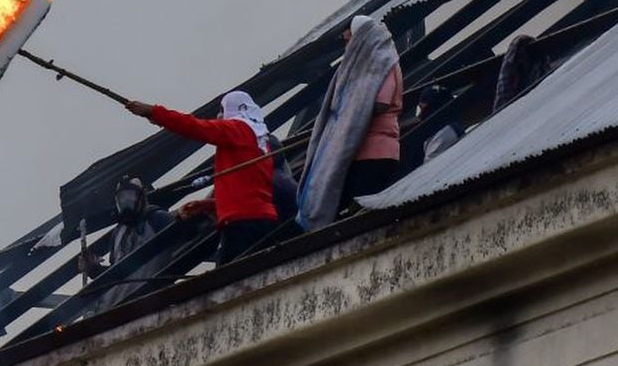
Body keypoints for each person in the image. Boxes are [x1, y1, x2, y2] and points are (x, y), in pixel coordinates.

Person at [126, 91, 277, 265]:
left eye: (222, 110)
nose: (219, 116)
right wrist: (209, 205)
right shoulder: (258, 141)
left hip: (241, 222)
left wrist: (153, 112)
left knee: (231, 280)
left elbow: (195, 127)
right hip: (259, 218)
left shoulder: (238, 129)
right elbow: (246, 192)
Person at [297, 16, 402, 231]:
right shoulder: (361, 65)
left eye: (348, 39)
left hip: (376, 151)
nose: (347, 45)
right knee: (350, 206)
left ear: (361, 37)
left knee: (363, 211)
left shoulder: (383, 61)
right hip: (360, 152)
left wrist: (352, 110)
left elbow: (380, 103)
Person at [79, 176, 176, 311]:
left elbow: (189, 236)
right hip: (116, 308)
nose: (125, 201)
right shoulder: (117, 234)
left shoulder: (157, 219)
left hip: (149, 302)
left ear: (142, 197)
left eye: (130, 196)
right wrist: (94, 269)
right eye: (121, 198)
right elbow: (118, 275)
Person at [417, 85, 466, 163]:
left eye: (421, 108)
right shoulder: (436, 136)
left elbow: (431, 168)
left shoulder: (446, 133)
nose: (419, 115)